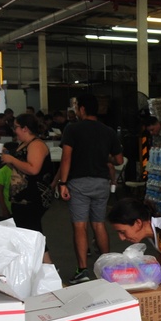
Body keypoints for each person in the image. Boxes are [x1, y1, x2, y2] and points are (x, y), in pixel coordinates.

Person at [57, 93, 124, 284]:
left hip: (79, 183)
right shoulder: (108, 131)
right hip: (101, 182)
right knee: (99, 224)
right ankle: (106, 267)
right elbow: (118, 160)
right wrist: (104, 157)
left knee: (80, 225)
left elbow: (66, 157)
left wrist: (62, 183)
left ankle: (83, 270)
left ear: (83, 109)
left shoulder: (73, 129)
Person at [1, 113, 56, 263]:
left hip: (33, 196)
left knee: (33, 233)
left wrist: (12, 159)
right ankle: (39, 267)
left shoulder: (36, 144)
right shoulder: (24, 144)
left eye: (16, 127)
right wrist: (9, 161)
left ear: (25, 128)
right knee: (27, 233)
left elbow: (33, 169)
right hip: (22, 197)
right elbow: (23, 168)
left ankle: (47, 267)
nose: (15, 131)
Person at [138, 116, 161, 181]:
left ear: (157, 124)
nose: (151, 133)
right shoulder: (154, 135)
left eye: (152, 130)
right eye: (149, 131)